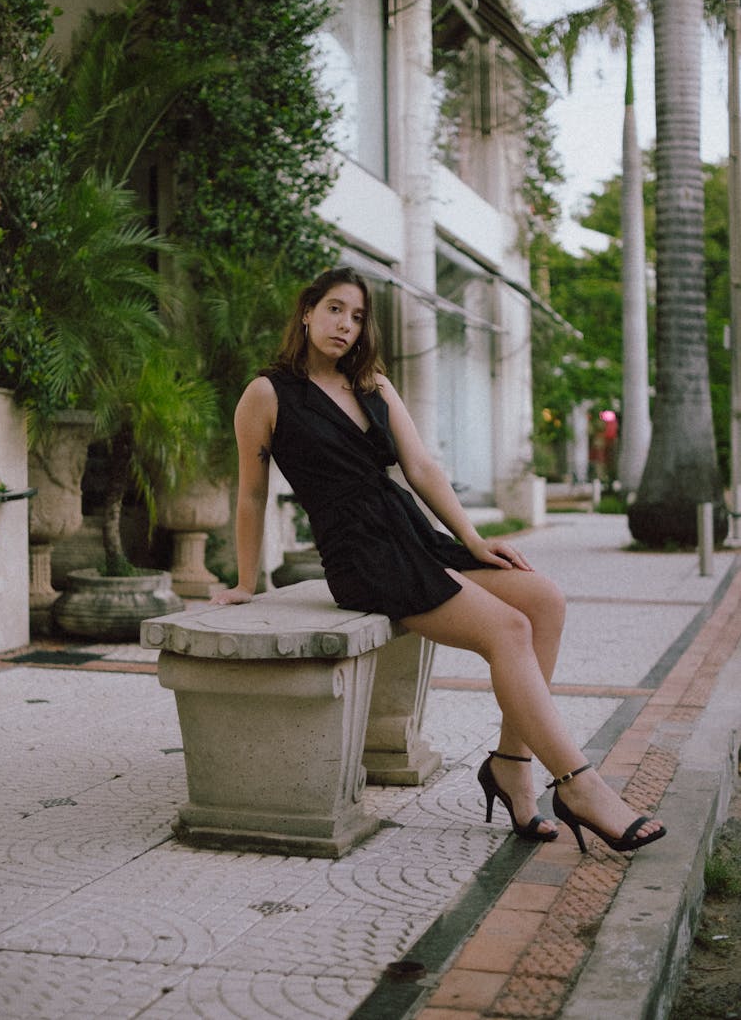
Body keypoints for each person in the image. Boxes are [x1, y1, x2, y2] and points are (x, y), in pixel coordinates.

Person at [211, 267, 666, 853]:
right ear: (306, 312)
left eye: (356, 316)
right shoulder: (268, 394)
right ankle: (579, 785)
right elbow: (251, 493)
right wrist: (247, 582)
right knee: (507, 629)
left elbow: (421, 467)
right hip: (361, 555)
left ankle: (510, 765)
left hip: (410, 534)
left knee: (543, 600)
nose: (345, 325)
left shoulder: (370, 383)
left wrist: (474, 541)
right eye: (334, 309)